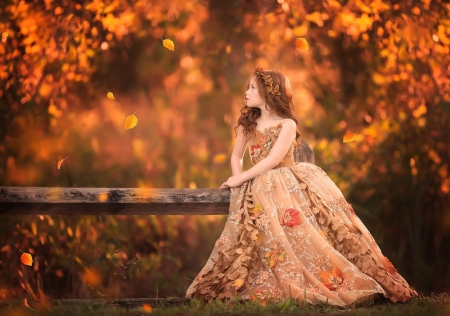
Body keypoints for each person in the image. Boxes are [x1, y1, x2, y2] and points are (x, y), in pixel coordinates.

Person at [185, 67, 418, 307]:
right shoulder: (248, 123)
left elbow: (273, 160)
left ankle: (331, 278)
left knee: (316, 232)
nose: (247, 92)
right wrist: (237, 181)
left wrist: (241, 179)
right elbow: (236, 157)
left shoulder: (287, 124)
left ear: (268, 92)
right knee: (259, 236)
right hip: (259, 185)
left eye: (253, 87)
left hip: (289, 183)